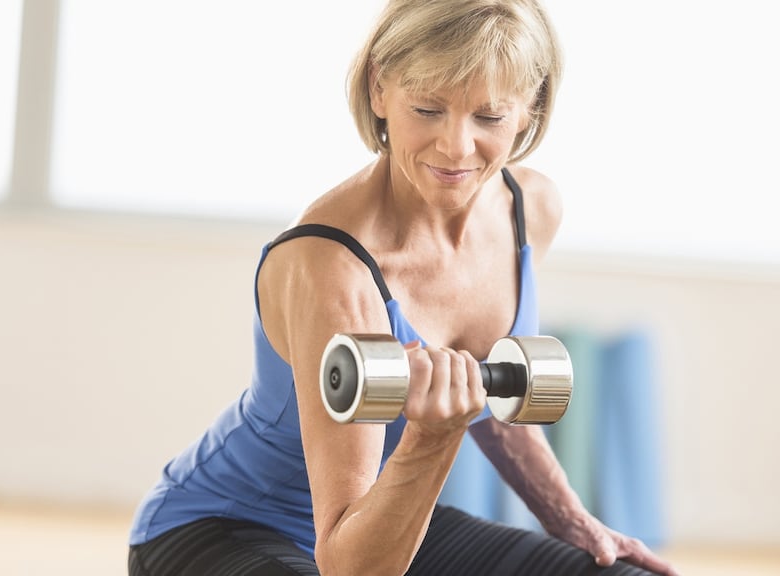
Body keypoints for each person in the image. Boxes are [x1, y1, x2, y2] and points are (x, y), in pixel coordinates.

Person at [128, 1, 679, 574]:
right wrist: (432, 437)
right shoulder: (330, 268)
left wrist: (573, 520)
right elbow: (349, 566)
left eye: (489, 116)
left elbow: (496, 391)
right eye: (427, 109)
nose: (456, 147)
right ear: (379, 90)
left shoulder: (531, 208)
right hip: (225, 528)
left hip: (387, 513)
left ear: (528, 108)